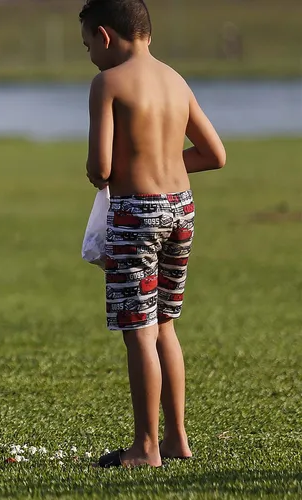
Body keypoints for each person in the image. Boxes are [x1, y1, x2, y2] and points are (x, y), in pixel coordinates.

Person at [78, 0, 226, 468]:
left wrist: (111, 171)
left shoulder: (107, 84)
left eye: (87, 45)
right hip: (181, 209)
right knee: (165, 324)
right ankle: (177, 439)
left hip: (136, 217)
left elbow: (101, 168)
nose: (89, 55)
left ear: (105, 36)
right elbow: (214, 153)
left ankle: (145, 447)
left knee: (138, 331)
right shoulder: (175, 80)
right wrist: (161, 164)